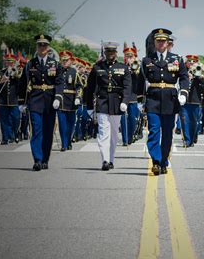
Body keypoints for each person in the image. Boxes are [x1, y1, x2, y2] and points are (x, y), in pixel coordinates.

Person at [137, 28, 189, 175]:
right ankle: (156, 161)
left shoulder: (177, 59)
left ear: (168, 43)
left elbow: (184, 78)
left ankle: (164, 160)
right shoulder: (147, 60)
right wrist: (140, 100)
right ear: (154, 42)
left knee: (167, 134)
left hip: (170, 101)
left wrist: (183, 93)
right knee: (153, 131)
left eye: (163, 41)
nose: (160, 43)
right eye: (158, 41)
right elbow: (141, 81)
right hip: (153, 100)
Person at [18, 34, 63, 171]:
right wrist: (22, 102)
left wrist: (58, 97)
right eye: (40, 45)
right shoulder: (30, 64)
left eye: (44, 45)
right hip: (35, 100)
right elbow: (23, 83)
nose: (42, 47)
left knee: (48, 131)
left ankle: (45, 159)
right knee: (36, 131)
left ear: (48, 47)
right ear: (37, 47)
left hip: (50, 100)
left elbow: (59, 82)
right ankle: (37, 159)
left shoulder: (55, 64)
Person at [85, 42, 131, 170]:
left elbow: (127, 87)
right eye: (108, 52)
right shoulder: (97, 67)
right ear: (105, 53)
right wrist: (89, 106)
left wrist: (125, 102)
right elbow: (90, 88)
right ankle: (104, 160)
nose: (110, 54)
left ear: (116, 53)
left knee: (114, 134)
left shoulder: (123, 67)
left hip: (117, 103)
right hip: (102, 102)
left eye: (112, 52)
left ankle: (111, 159)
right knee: (103, 132)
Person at [55, 50, 82, 151]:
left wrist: (78, 98)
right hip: (61, 100)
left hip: (71, 101)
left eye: (67, 60)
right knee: (62, 124)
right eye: (63, 60)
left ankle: (69, 140)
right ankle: (64, 144)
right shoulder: (57, 71)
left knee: (70, 124)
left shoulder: (74, 72)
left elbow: (79, 87)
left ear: (70, 61)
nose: (65, 62)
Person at [180, 54, 204, 147]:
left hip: (196, 100)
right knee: (185, 121)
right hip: (185, 100)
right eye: (189, 61)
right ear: (186, 62)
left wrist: (198, 76)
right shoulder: (183, 71)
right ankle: (187, 140)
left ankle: (193, 136)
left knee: (194, 122)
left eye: (193, 61)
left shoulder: (200, 70)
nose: (191, 63)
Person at [0, 53, 21, 143]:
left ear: (14, 63)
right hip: (2, 100)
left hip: (13, 100)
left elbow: (20, 82)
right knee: (4, 120)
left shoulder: (18, 72)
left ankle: (15, 133)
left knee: (16, 118)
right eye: (7, 62)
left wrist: (15, 74)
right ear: (5, 63)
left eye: (11, 62)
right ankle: (5, 138)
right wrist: (2, 80)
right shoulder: (0, 72)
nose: (9, 64)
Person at [120, 44, 141, 146]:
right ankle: (125, 139)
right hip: (123, 96)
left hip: (133, 96)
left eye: (130, 56)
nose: (128, 58)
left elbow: (140, 79)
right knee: (123, 118)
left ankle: (130, 136)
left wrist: (134, 67)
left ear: (134, 57)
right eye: (127, 56)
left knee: (132, 118)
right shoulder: (121, 67)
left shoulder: (137, 67)